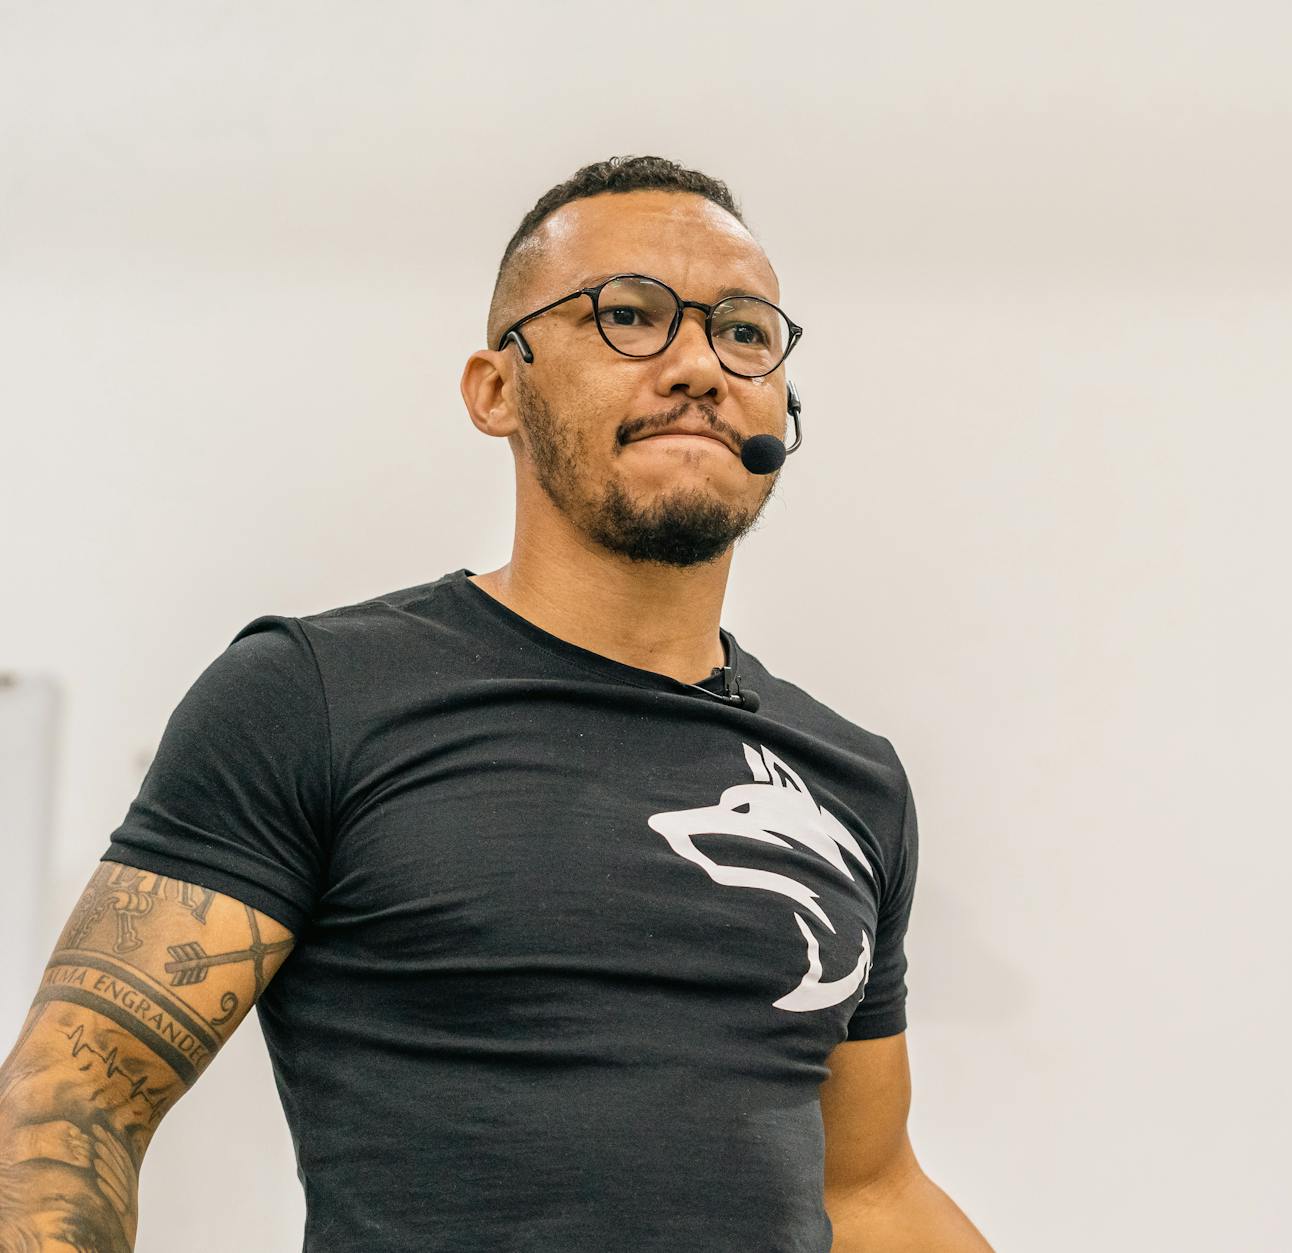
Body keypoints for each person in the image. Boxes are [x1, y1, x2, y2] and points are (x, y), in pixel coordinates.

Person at [0, 155, 994, 1252]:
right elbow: (80, 1093)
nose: (700, 364)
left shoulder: (848, 776)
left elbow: (867, 1187)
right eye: (629, 314)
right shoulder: (313, 697)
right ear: (496, 388)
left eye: (745, 331)